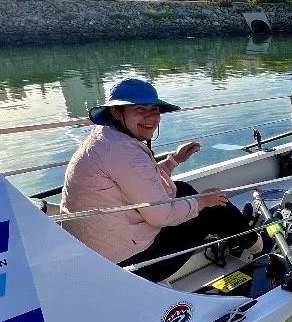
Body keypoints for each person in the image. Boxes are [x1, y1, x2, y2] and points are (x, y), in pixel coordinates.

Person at [60, 78, 262, 282]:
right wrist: (202, 201)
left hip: (96, 252)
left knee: (182, 190)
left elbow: (142, 181)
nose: (150, 118)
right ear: (116, 112)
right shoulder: (123, 152)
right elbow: (160, 216)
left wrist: (173, 160)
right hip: (129, 265)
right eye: (140, 109)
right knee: (214, 207)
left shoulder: (107, 137)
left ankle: (237, 232)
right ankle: (260, 246)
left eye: (154, 109)